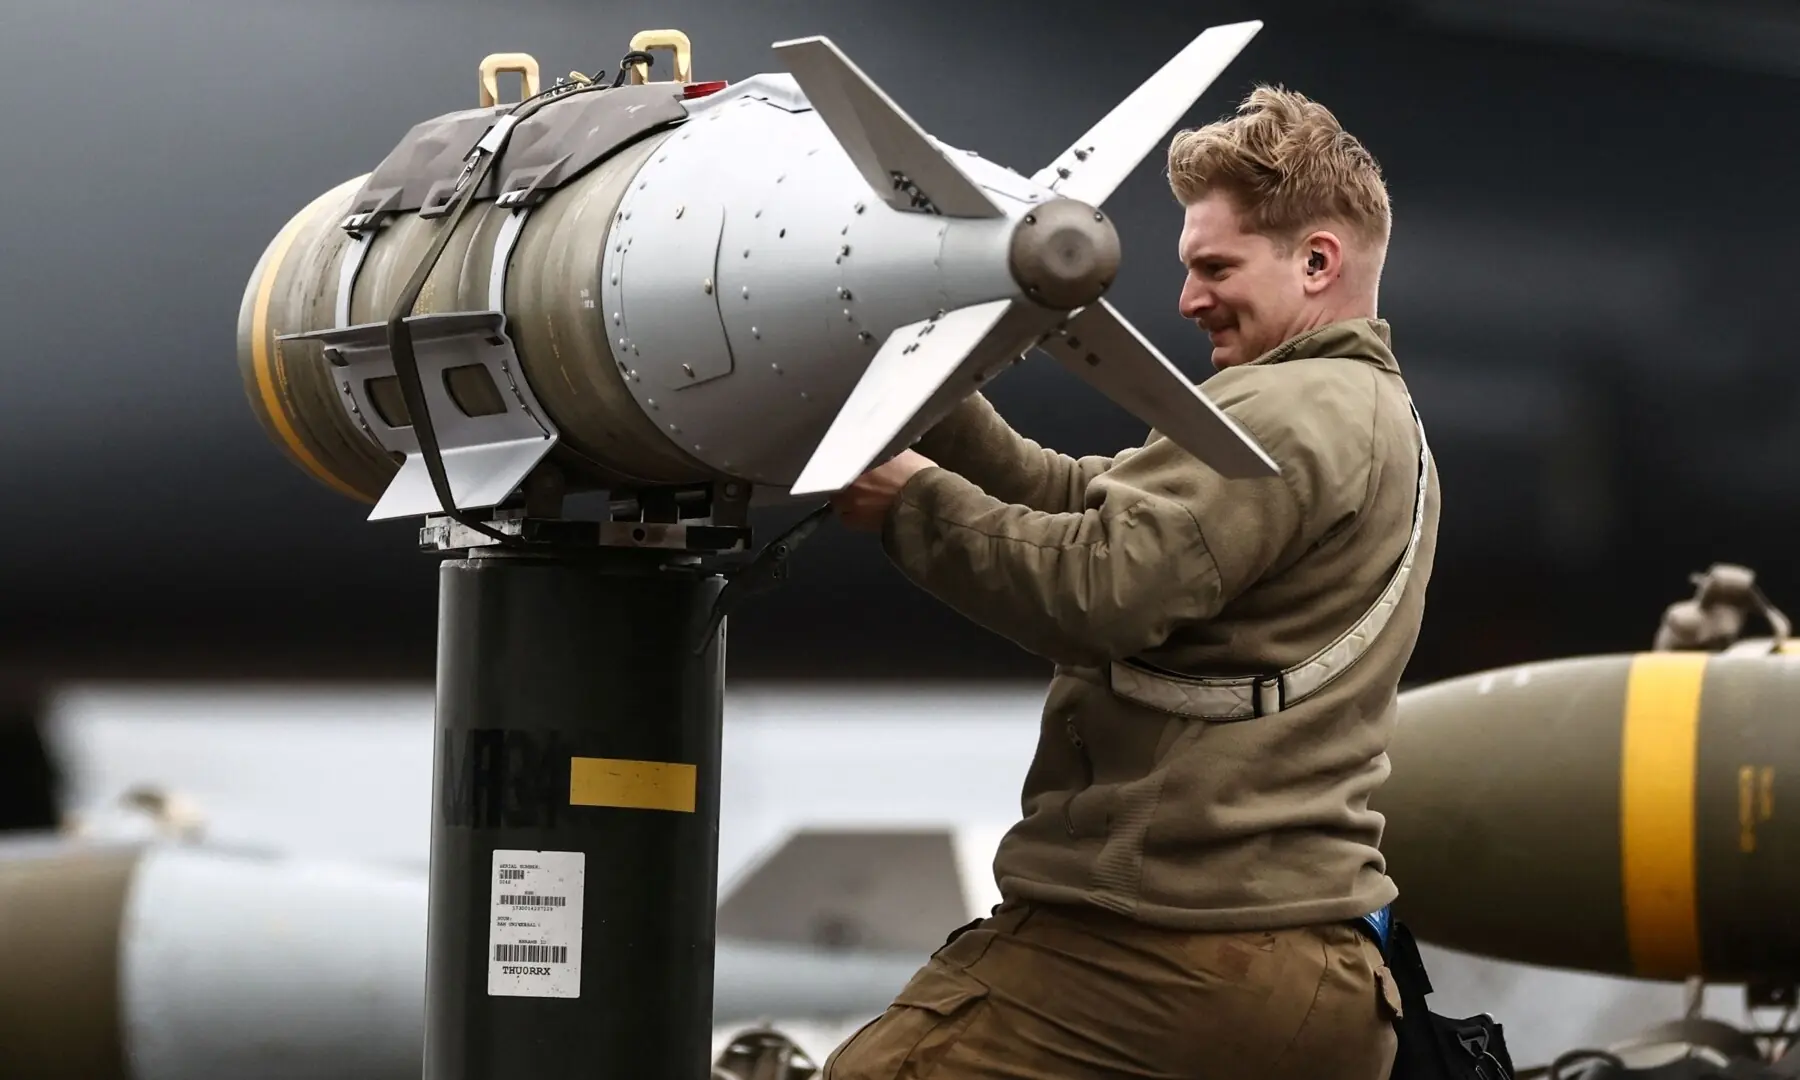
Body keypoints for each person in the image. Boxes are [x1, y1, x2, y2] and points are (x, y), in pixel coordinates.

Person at [823, 84, 1441, 1080]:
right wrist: (939, 400)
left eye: (1215, 267)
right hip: (1316, 968)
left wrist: (912, 505)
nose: (1190, 298)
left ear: (1317, 261)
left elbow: (1102, 588)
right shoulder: (1364, 415)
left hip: (1168, 948)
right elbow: (1093, 502)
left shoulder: (1283, 410)